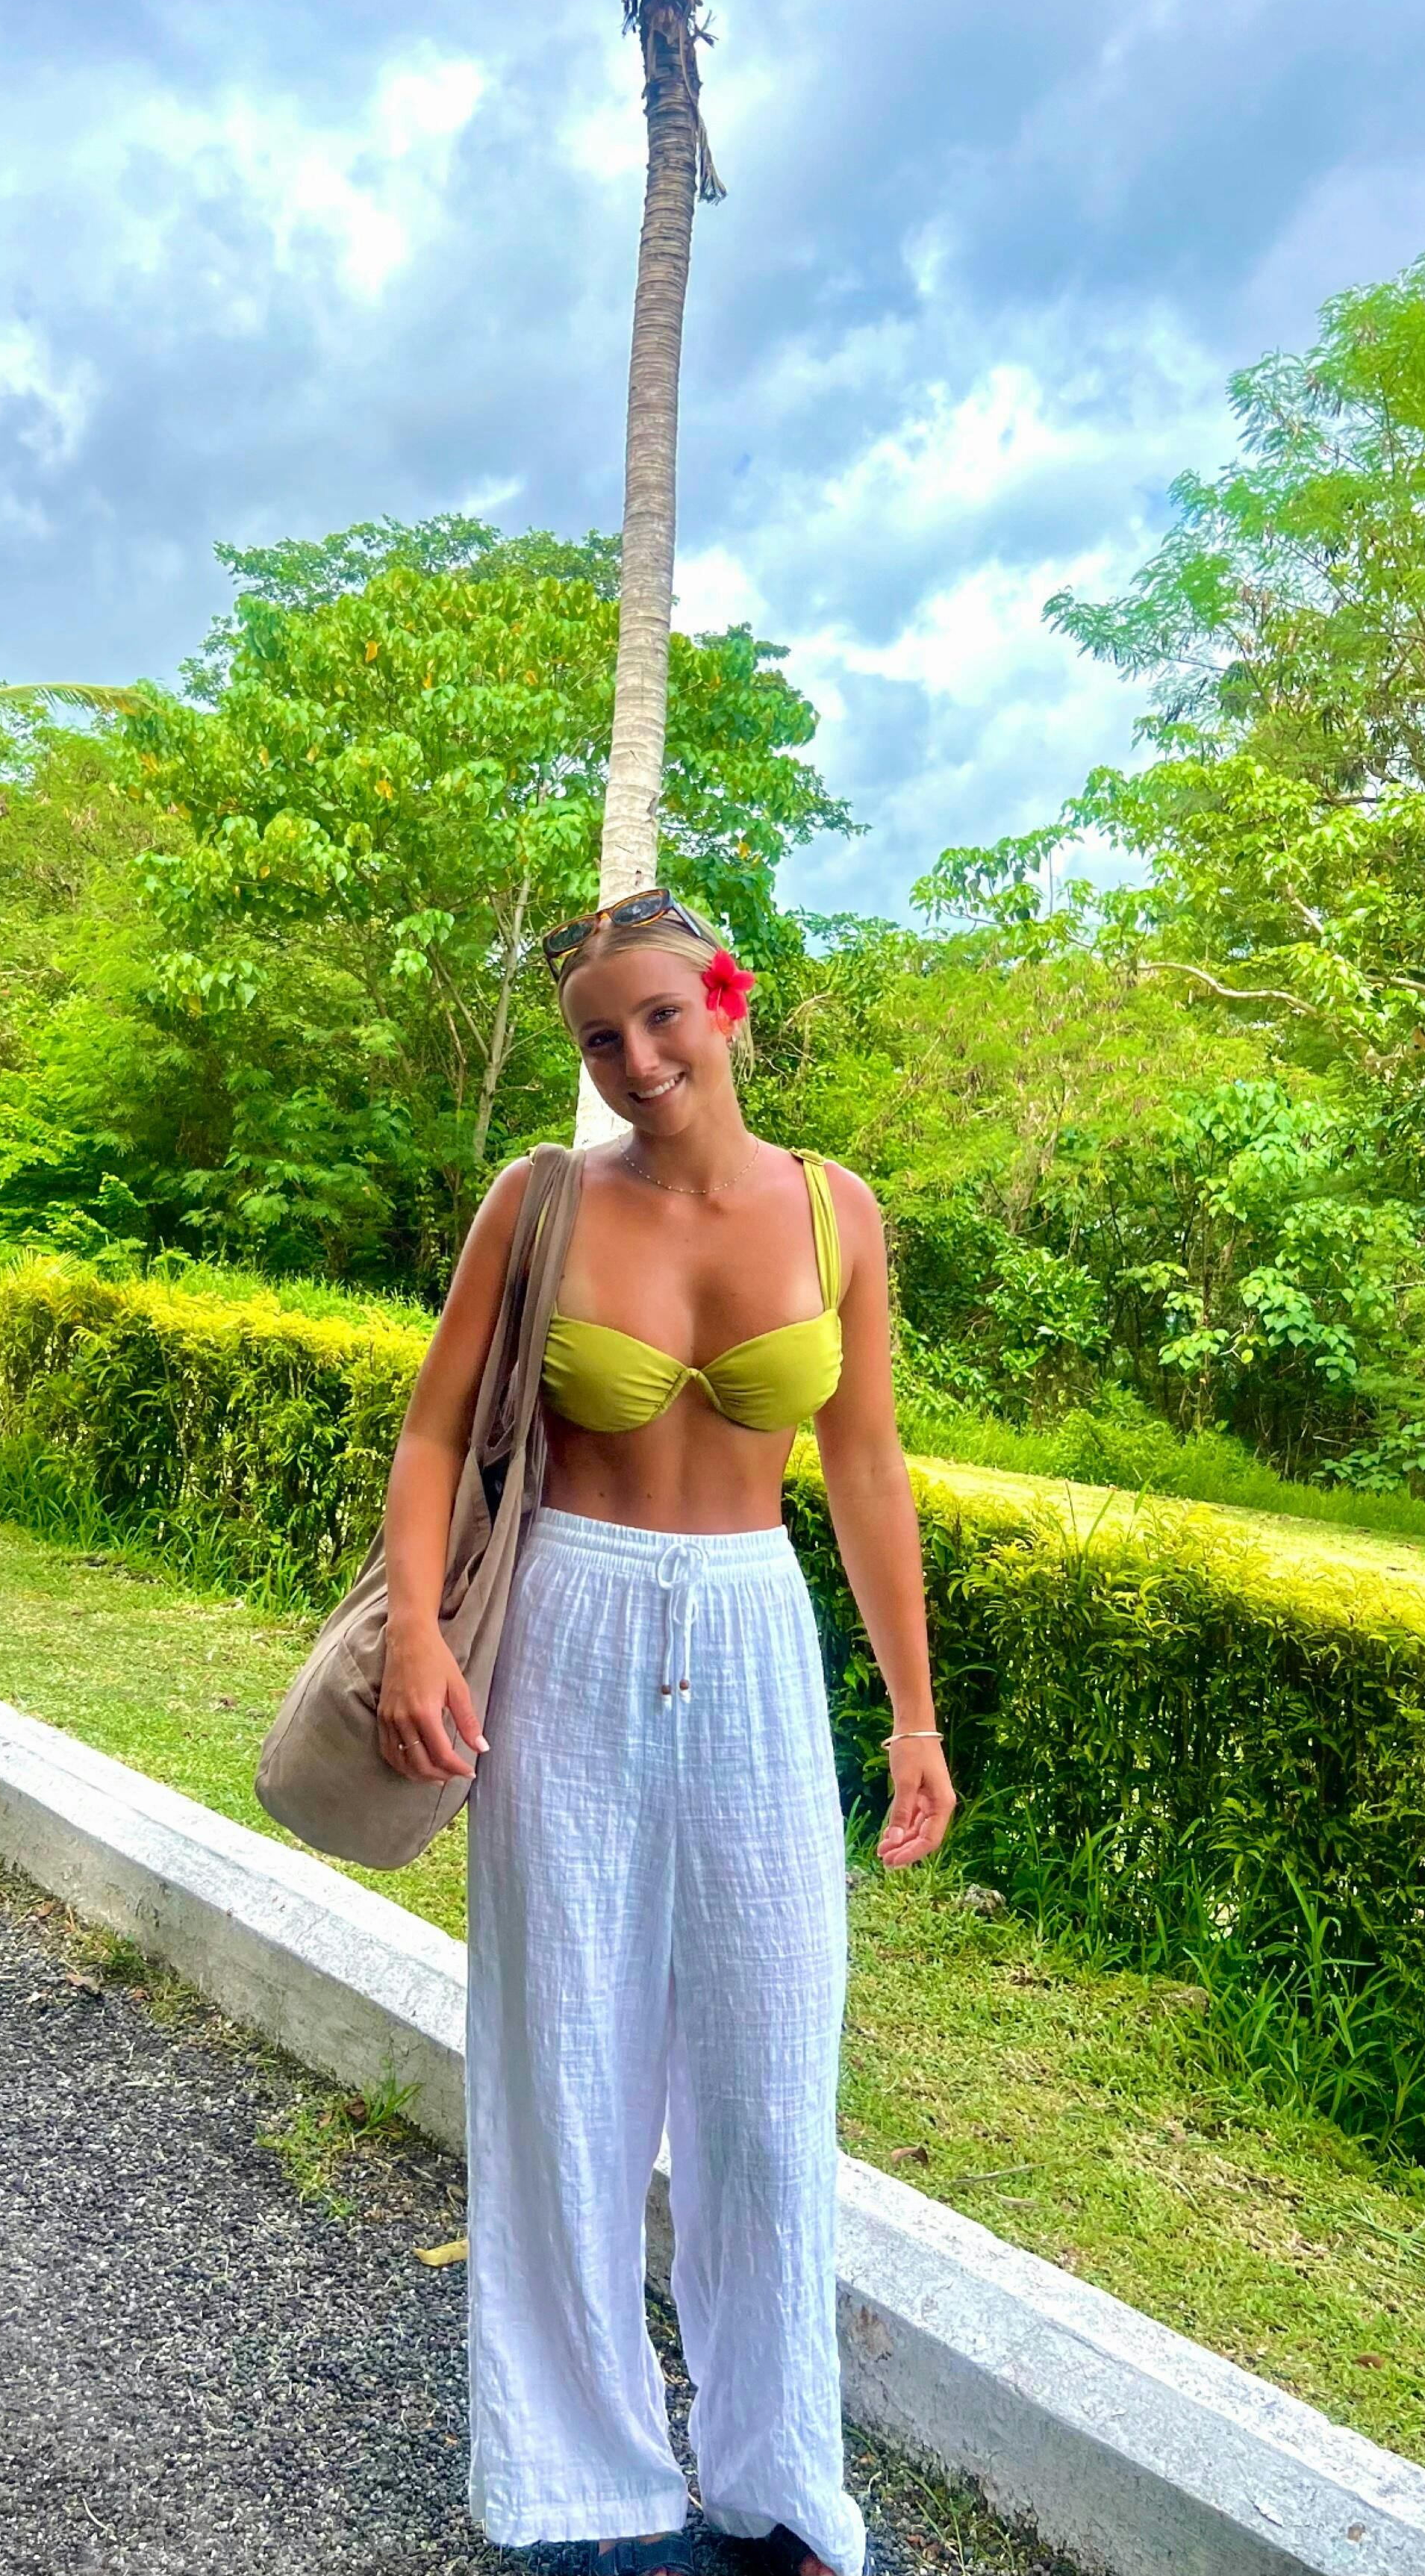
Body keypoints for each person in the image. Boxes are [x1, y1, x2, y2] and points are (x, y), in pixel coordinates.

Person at [378, 888, 954, 2576]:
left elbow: (864, 1464)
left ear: (725, 1002)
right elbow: (431, 1435)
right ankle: (583, 2485)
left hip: (756, 1641)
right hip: (564, 1631)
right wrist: (413, 1630)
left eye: (658, 1019)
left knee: (769, 2088)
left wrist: (910, 1713)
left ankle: (780, 2481)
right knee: (563, 2062)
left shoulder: (834, 1210)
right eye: (597, 1038)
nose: (633, 1061)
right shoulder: (540, 1201)